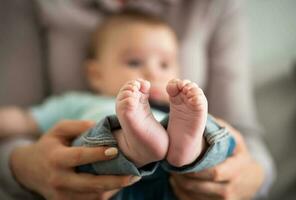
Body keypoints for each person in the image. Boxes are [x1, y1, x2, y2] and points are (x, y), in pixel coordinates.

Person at [0, 0, 275, 199]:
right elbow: (23, 118)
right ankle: (133, 142)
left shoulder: (177, 110)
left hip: (181, 186)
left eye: (165, 65)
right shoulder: (76, 102)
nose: (152, 72)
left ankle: (190, 149)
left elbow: (245, 141)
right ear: (96, 74)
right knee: (96, 139)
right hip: (106, 189)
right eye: (134, 62)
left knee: (215, 130)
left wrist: (252, 173)